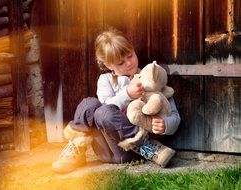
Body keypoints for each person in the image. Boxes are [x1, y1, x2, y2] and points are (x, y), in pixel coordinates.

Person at [52, 28, 181, 173]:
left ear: (133, 49)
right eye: (120, 63)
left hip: (133, 150)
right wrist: (127, 94)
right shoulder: (106, 81)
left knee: (102, 112)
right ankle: (76, 148)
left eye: (130, 56)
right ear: (108, 65)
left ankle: (147, 147)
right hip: (105, 149)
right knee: (89, 104)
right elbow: (105, 110)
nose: (128, 63)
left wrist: (165, 125)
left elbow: (174, 115)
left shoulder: (149, 77)